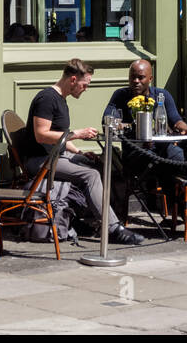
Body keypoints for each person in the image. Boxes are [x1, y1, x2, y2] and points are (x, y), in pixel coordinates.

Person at [22, 59, 145, 245]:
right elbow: (41, 135)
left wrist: (80, 151)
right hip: (40, 159)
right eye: (84, 84)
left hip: (56, 155)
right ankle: (113, 229)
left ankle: (94, 221)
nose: (85, 89)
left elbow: (60, 138)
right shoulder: (47, 98)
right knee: (91, 175)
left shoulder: (61, 100)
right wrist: (77, 134)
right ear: (73, 80)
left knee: (99, 164)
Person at [103, 60, 187, 237]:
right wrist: (130, 126)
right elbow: (107, 121)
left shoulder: (161, 95)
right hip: (135, 155)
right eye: (133, 77)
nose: (136, 81)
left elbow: (176, 120)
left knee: (177, 165)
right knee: (168, 167)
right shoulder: (120, 95)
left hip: (160, 153)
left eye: (141, 77)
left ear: (150, 78)